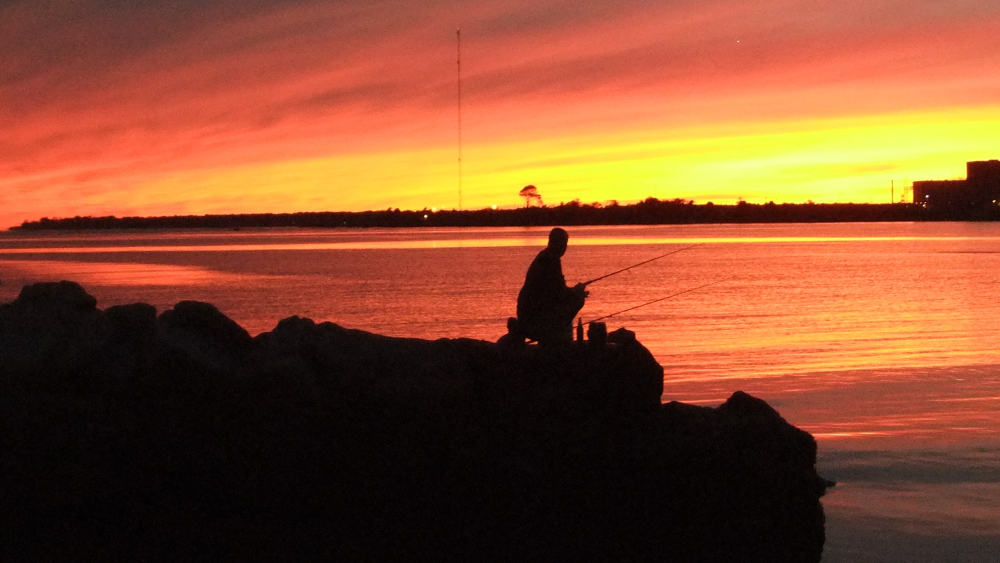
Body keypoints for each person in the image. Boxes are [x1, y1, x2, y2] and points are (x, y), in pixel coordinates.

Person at [516, 228, 588, 345]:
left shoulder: (544, 256)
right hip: (534, 317)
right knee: (578, 300)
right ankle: (556, 336)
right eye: (563, 243)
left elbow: (556, 290)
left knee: (574, 297)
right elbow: (558, 293)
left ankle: (558, 335)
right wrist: (577, 292)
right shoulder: (550, 261)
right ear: (554, 243)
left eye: (565, 244)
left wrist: (574, 291)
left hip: (528, 312)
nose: (564, 247)